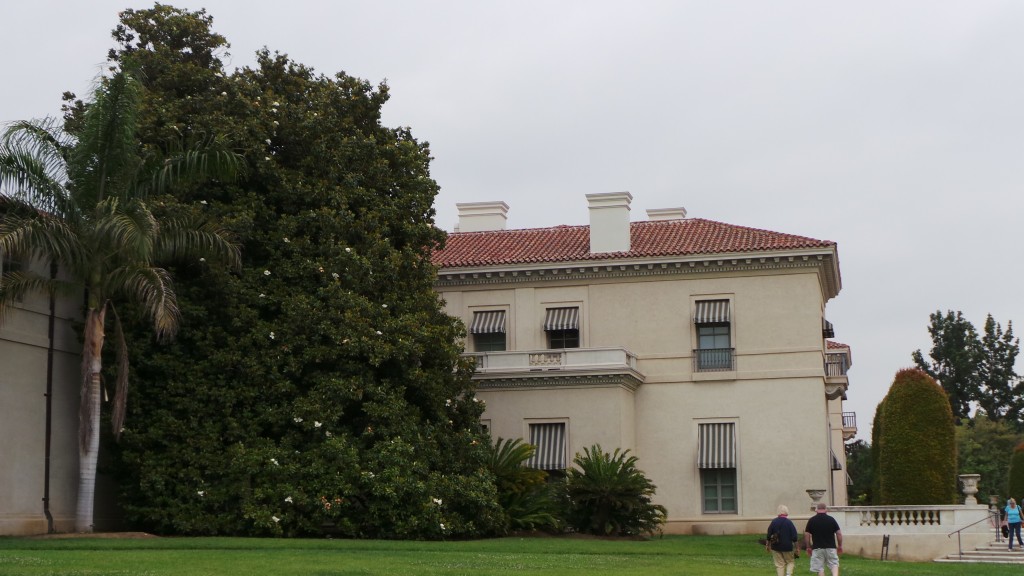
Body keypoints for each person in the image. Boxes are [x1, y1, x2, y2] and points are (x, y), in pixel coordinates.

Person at [804, 502, 842, 576]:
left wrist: (808, 547)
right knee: (834, 564)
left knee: (819, 568)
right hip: (831, 547)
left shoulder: (812, 520)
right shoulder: (831, 520)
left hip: (817, 548)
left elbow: (807, 534)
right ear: (826, 510)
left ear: (816, 510)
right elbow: (839, 533)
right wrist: (840, 545)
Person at [766, 504, 800, 576]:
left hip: (775, 546)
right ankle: (788, 574)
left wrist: (767, 545)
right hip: (787, 546)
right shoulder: (789, 522)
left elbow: (769, 535)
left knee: (779, 564)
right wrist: (797, 548)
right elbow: (794, 537)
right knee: (790, 562)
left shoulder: (774, 522)